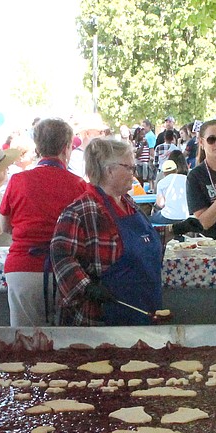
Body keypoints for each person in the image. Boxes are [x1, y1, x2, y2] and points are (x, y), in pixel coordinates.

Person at [50, 138, 163, 326]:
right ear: (109, 170)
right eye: (129, 168)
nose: (133, 174)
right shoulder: (80, 211)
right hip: (101, 317)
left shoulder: (128, 203)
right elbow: (61, 256)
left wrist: (175, 230)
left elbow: (144, 241)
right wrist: (87, 288)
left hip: (145, 309)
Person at [0, 118, 89, 326]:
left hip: (22, 269)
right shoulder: (79, 184)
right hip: (65, 271)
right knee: (66, 342)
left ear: (37, 147)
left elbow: (6, 226)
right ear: (67, 147)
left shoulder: (17, 181)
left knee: (24, 342)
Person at [150, 153, 190, 225]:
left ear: (164, 172)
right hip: (186, 215)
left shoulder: (162, 182)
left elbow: (161, 204)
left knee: (148, 219)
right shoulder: (186, 179)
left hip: (168, 216)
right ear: (176, 170)